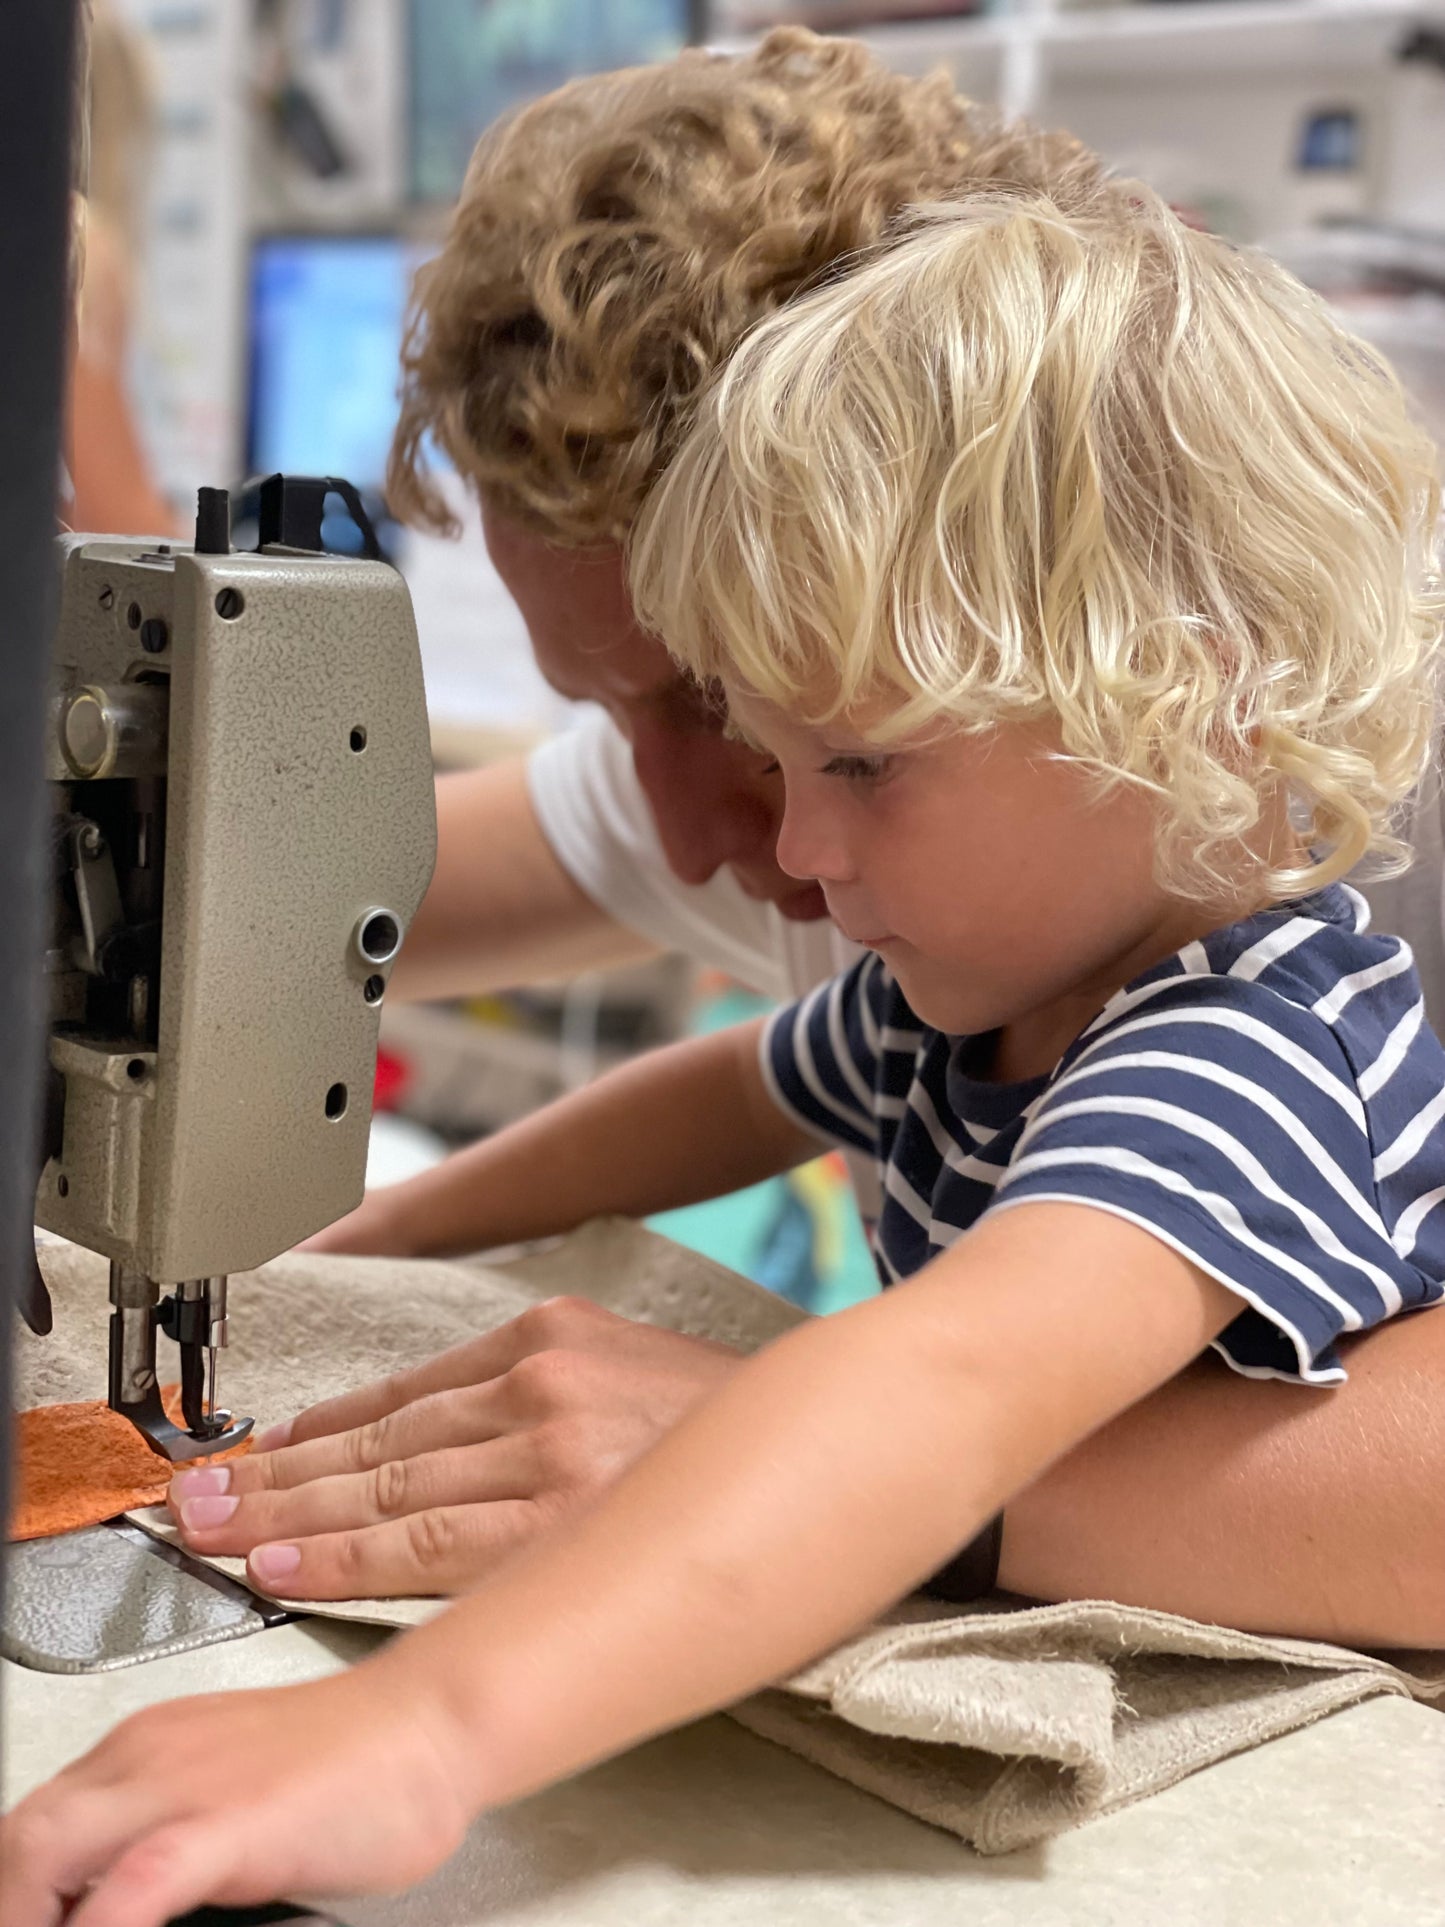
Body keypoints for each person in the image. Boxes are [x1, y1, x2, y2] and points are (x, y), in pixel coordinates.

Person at [8, 171, 1443, 1924]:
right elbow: (725, 1092)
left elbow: (944, 1391)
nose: (800, 850)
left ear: (1192, 697)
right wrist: (355, 1254)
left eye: (859, 767)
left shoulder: (1236, 1051)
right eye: (777, 760)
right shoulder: (989, 990)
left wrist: (420, 1735)